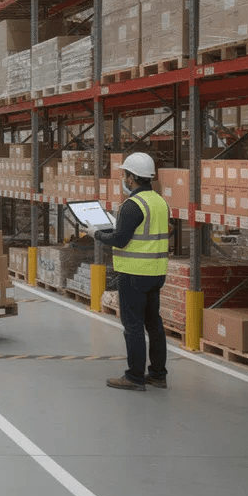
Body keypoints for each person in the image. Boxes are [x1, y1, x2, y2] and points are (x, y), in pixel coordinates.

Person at [91, 152, 170, 392]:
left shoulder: (132, 205)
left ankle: (134, 377)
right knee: (153, 323)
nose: (123, 179)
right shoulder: (159, 201)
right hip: (156, 272)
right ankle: (157, 375)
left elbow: (120, 239)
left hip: (134, 273)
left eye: (125, 175)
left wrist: (95, 233)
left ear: (133, 178)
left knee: (133, 326)